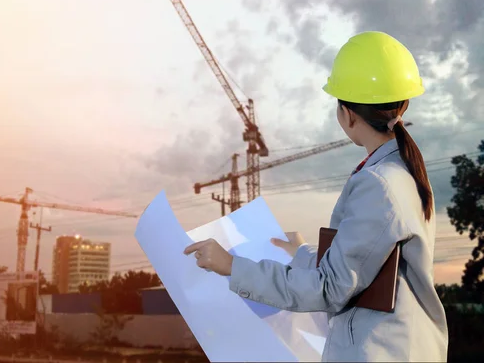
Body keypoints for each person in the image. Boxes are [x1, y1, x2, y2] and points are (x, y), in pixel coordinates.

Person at [184, 31, 449, 362]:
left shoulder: (379, 184)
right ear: (403, 103)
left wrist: (232, 266)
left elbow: (329, 287)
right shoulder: (403, 171)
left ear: (347, 113)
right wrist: (303, 252)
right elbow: (363, 263)